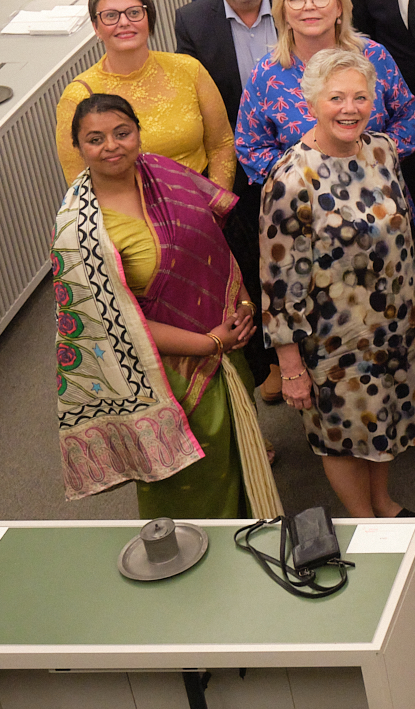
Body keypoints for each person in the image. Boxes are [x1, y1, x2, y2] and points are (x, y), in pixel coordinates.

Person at [52, 94, 278, 518]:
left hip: (225, 345)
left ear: (138, 132)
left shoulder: (163, 172)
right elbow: (115, 324)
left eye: (122, 132)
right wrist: (209, 342)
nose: (112, 145)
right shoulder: (79, 233)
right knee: (196, 491)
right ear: (78, 148)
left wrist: (242, 301)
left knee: (240, 460)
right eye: (95, 139)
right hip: (166, 377)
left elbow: (215, 241)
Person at [262, 47, 415, 522]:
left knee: (382, 418)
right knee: (344, 433)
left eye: (360, 97)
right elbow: (280, 285)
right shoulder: (290, 178)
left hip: (392, 324)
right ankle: (364, 519)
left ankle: (383, 502)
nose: (349, 108)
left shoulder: (381, 150)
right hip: (332, 341)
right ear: (311, 101)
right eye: (336, 97)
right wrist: (291, 364)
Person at [173, 0, 282, 391]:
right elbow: (195, 106)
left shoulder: (296, 7)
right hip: (236, 170)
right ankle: (271, 365)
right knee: (249, 270)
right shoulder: (193, 22)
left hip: (301, 162)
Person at [234, 0, 415, 185]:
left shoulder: (373, 56)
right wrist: (303, 172)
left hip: (379, 191)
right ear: (283, 13)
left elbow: (410, 116)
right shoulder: (265, 75)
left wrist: (373, 156)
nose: (309, 6)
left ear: (339, 7)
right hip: (305, 202)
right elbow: (250, 147)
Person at [57, 0, 234, 188]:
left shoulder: (188, 69)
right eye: (111, 16)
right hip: (128, 213)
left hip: (203, 206)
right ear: (96, 28)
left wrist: (215, 208)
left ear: (149, 19)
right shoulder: (78, 97)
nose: (124, 22)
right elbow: (79, 181)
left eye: (134, 12)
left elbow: (222, 145)